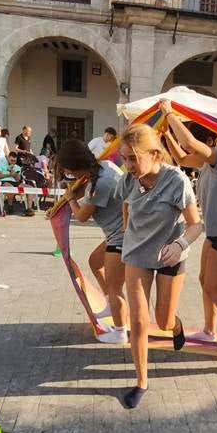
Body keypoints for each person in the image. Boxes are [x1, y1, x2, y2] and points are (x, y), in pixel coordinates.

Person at [118, 123, 202, 409]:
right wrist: (127, 229)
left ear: (154, 154)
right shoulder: (128, 179)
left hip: (170, 254)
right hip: (137, 255)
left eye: (133, 158)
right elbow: (125, 204)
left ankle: (175, 324)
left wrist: (180, 245)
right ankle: (141, 381)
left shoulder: (177, 181)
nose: (128, 165)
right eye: (124, 158)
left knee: (163, 320)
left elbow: (195, 225)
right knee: (139, 322)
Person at [159, 102, 217, 348]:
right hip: (214, 234)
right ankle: (210, 330)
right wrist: (166, 130)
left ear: (209, 140)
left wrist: (168, 111)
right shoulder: (206, 162)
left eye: (200, 144)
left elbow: (188, 144)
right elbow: (180, 156)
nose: (194, 152)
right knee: (204, 282)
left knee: (214, 288)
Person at [56, 138, 130, 344]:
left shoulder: (101, 183)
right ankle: (109, 304)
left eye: (68, 171)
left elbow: (81, 216)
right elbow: (86, 191)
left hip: (123, 236)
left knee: (116, 288)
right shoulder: (103, 167)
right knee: (95, 262)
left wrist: (70, 198)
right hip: (118, 233)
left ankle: (120, 331)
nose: (69, 175)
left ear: (73, 167)